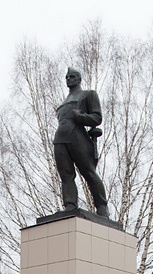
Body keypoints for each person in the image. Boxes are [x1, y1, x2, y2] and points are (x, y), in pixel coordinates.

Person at [53, 67, 109, 217]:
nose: (69, 79)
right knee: (65, 174)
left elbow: (97, 118)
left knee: (89, 172)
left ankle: (102, 207)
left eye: (72, 76)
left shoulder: (88, 95)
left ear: (79, 79)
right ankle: (70, 204)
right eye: (67, 77)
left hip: (78, 137)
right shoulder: (63, 103)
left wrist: (80, 117)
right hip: (60, 137)